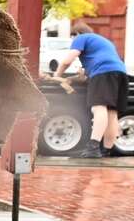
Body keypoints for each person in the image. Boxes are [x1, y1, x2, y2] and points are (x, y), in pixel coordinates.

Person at [52, 18, 128, 158]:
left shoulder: (81, 38)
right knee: (112, 112)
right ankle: (106, 150)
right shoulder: (103, 42)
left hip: (103, 72)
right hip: (120, 74)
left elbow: (67, 61)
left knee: (99, 107)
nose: (72, 41)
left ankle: (93, 147)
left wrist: (57, 75)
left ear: (77, 34)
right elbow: (85, 76)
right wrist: (73, 78)